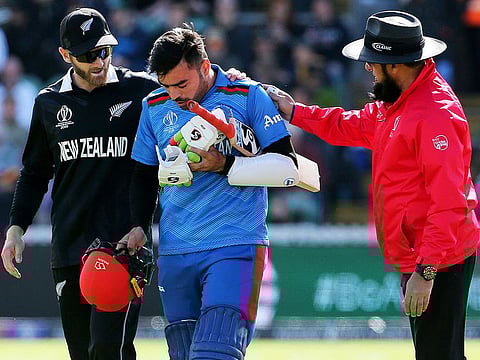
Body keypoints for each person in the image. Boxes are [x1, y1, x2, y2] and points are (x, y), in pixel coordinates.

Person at [0, 7, 245, 360]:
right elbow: (35, 173)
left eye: (104, 50)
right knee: (85, 354)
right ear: (65, 55)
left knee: (107, 350)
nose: (99, 61)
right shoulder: (48, 103)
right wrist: (15, 228)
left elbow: (192, 91)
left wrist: (230, 80)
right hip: (69, 248)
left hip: (123, 246)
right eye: (87, 55)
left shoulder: (143, 91)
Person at [265, 10, 479, 360]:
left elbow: (450, 204)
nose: (368, 68)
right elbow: (350, 125)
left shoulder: (436, 115)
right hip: (423, 254)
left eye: (373, 62)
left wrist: (426, 272)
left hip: (440, 259)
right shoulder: (397, 101)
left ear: (395, 65)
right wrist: (295, 112)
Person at [121, 24, 300, 359]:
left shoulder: (247, 95)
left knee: (216, 353)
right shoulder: (153, 105)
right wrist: (137, 225)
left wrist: (224, 165)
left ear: (204, 67)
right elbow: (143, 175)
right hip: (175, 251)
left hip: (234, 245)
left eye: (181, 83)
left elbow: (287, 168)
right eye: (166, 84)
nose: (174, 94)